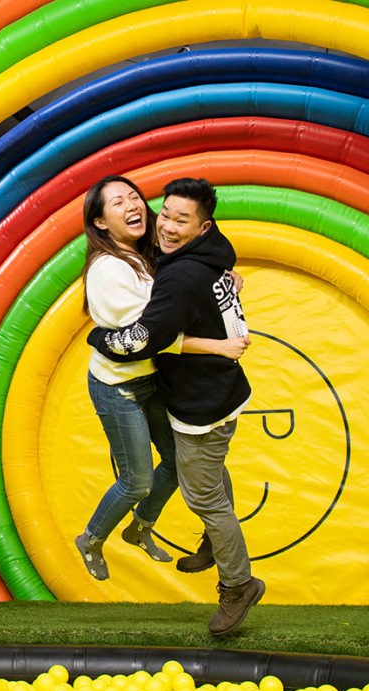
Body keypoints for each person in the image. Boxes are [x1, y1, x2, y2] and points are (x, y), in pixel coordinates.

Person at [87, 177, 264, 637]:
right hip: (211, 391)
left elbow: (144, 339)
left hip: (199, 402)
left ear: (202, 226)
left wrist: (97, 338)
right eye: (164, 212)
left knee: (202, 493)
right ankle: (211, 541)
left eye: (179, 219)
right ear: (100, 221)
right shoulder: (199, 250)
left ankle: (238, 584)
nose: (163, 223)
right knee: (191, 478)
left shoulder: (180, 273)